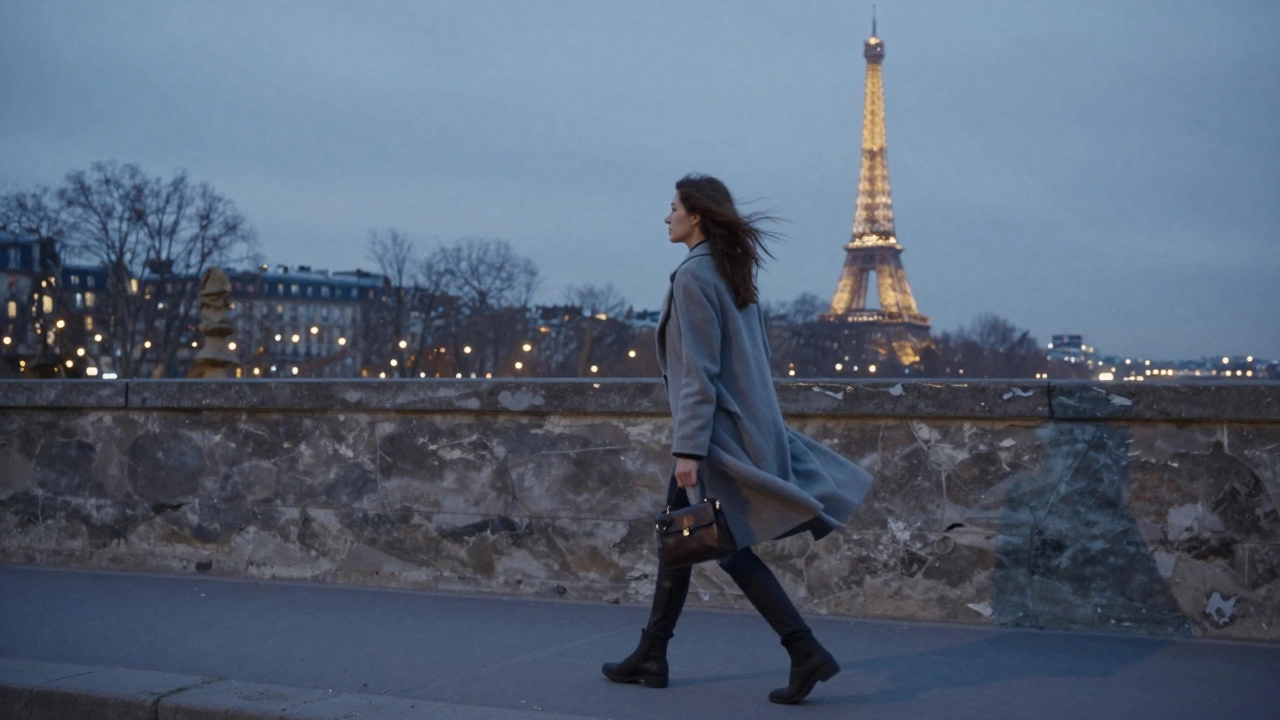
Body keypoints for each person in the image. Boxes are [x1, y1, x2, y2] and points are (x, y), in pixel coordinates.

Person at [601, 174, 874, 704]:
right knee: (678, 539)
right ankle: (652, 653)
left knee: (728, 549)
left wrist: (688, 449)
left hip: (714, 439)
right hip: (741, 428)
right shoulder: (734, 274)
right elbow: (755, 365)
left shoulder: (694, 278)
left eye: (673, 206)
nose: (666, 216)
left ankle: (805, 651)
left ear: (696, 214)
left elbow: (699, 373)